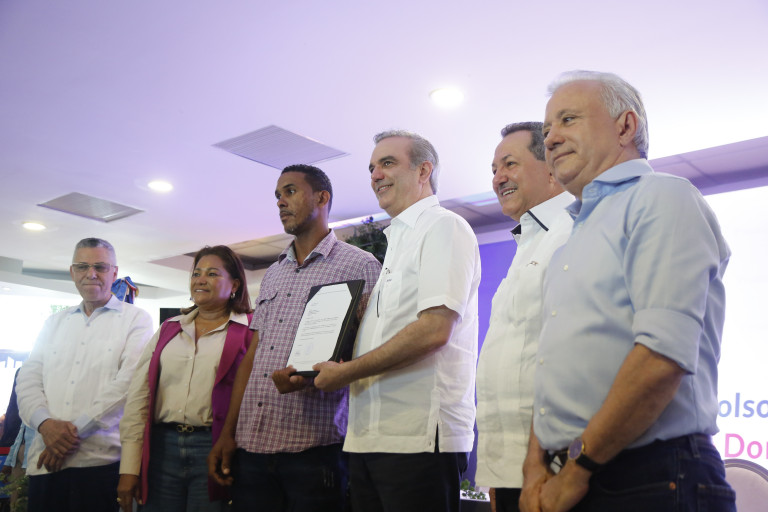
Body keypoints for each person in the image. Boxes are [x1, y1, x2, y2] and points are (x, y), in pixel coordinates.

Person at [520, 71, 736, 512]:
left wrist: (577, 470)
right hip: (572, 475)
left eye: (567, 120)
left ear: (625, 126)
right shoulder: (567, 244)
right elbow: (553, 371)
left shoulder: (663, 197)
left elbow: (660, 357)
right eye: (546, 129)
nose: (551, 139)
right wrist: (535, 467)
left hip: (652, 475)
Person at [313, 131, 481, 512]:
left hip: (417, 437)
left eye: (387, 163)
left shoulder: (444, 226)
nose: (375, 175)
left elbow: (434, 330)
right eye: (372, 167)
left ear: (424, 171)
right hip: (370, 436)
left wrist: (347, 372)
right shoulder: (397, 244)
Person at [207, 164, 381, 511]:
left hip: (314, 449)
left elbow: (370, 354)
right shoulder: (274, 273)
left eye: (290, 191)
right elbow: (253, 355)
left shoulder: (361, 265)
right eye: (277, 195)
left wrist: (317, 376)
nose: (280, 202)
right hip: (252, 446)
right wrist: (228, 432)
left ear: (322, 197)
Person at [475, 122, 572, 512]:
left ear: (550, 167)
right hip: (512, 467)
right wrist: (499, 472)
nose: (498, 178)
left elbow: (571, 358)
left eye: (509, 164)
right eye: (494, 169)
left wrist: (546, 464)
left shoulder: (571, 231)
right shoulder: (529, 242)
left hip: (551, 464)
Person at [16, 237, 153, 512]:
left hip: (100, 464)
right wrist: (45, 425)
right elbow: (28, 380)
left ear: (114, 272)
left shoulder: (136, 319)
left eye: (100, 267)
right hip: (45, 462)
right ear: (72, 272)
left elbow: (128, 386)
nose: (91, 274)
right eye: (82, 266)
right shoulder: (53, 322)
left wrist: (67, 435)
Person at [118, 245, 254, 512]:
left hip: (215, 448)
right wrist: (129, 468)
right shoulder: (169, 329)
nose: (200, 280)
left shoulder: (251, 331)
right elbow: (139, 397)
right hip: (161, 448)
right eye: (196, 273)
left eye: (212, 274)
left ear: (235, 284)